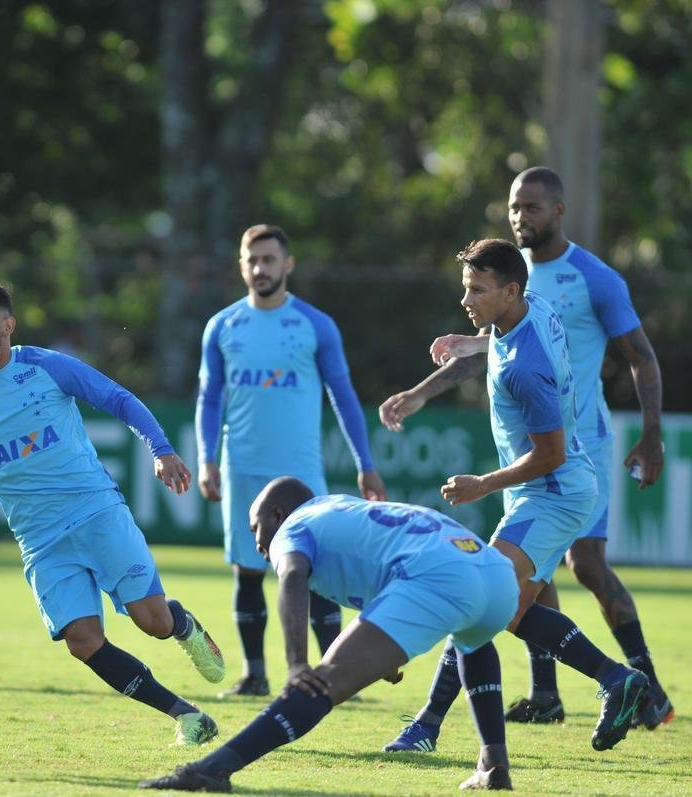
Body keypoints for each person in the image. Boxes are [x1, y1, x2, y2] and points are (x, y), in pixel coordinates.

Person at [381, 167, 672, 730]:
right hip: (550, 480)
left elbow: (552, 444)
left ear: (558, 210)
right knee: (511, 603)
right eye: (515, 207)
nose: (465, 298)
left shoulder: (541, 347)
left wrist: (480, 484)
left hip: (556, 478)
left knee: (491, 594)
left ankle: (428, 725)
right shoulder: (532, 304)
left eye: (475, 291)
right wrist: (464, 347)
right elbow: (507, 336)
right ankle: (607, 684)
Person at [0, 279, 225, 746]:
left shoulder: (45, 367)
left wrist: (161, 449)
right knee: (83, 642)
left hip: (96, 512)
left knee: (154, 622)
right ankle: (186, 716)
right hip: (41, 541)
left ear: (7, 325)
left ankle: (183, 624)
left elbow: (118, 399)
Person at [140, 478, 520, 792]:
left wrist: (295, 664)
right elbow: (383, 563)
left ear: (277, 514)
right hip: (495, 573)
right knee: (474, 639)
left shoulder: (293, 527)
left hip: (439, 576)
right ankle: (493, 763)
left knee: (317, 684)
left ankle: (211, 770)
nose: (257, 542)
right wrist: (381, 652)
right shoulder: (339, 508)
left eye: (256, 527)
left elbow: (291, 577)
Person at [197, 224, 386, 698]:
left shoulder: (315, 325)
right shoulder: (222, 326)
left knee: (316, 572)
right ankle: (254, 674)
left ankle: (339, 673)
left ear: (288, 264)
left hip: (300, 472)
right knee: (247, 569)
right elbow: (208, 398)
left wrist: (365, 461)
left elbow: (343, 396)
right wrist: (205, 458)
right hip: (242, 466)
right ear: (242, 266)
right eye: (252, 260)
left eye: (269, 259)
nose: (260, 268)